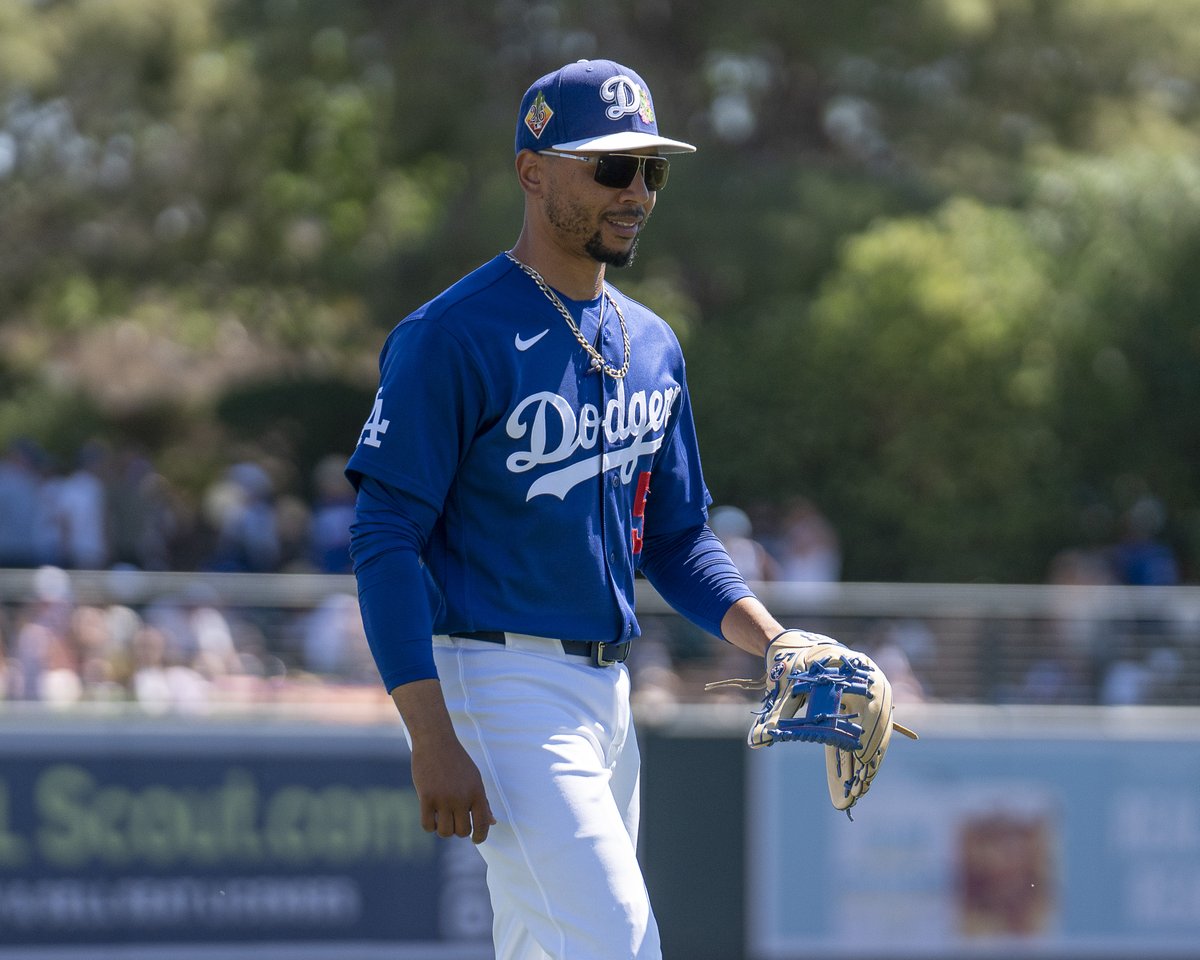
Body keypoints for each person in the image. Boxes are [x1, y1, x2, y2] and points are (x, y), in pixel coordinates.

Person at [347, 59, 829, 960]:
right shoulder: (450, 335)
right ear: (534, 172)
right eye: (610, 167)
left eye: (653, 169)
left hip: (609, 694)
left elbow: (678, 539)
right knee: (618, 944)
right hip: (498, 685)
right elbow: (382, 538)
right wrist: (430, 732)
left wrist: (778, 641)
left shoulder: (651, 343)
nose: (637, 191)